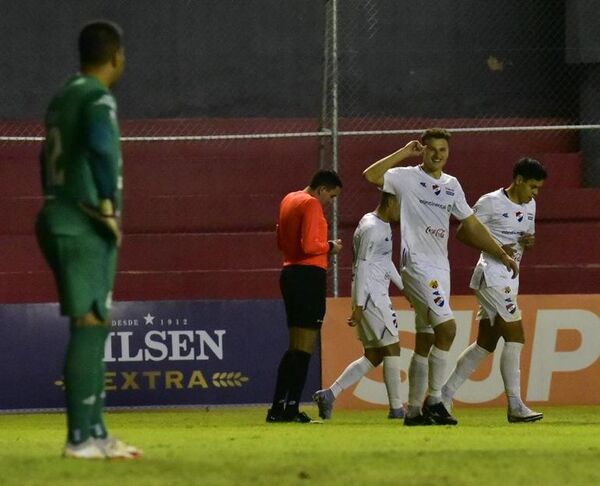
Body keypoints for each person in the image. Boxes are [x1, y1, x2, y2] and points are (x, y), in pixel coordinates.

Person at [362, 128, 519, 426]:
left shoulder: (452, 185)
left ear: (448, 153)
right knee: (448, 329)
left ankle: (413, 412)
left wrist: (501, 253)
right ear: (424, 150)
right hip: (417, 265)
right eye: (431, 149)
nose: (437, 154)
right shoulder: (405, 176)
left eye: (442, 150)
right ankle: (435, 400)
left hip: (440, 267)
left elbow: (471, 224)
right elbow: (370, 175)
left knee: (427, 338)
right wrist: (404, 152)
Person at [36, 20, 141, 459]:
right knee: (89, 324)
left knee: (94, 324)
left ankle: (95, 431)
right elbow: (100, 147)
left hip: (58, 212)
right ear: (116, 55)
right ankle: (81, 438)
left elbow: (46, 156)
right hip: (83, 221)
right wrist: (106, 208)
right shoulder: (98, 96)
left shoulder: (63, 95)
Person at [441, 157, 547, 423]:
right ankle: (515, 406)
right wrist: (498, 251)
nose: (534, 194)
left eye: (538, 189)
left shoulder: (530, 205)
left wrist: (529, 242)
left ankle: (444, 394)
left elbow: (525, 240)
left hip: (510, 280)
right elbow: (464, 233)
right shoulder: (490, 202)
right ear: (518, 180)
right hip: (491, 276)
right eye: (532, 187)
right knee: (516, 336)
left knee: (485, 344)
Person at [313, 191, 407, 420]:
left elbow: (384, 261)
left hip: (371, 294)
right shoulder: (373, 228)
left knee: (374, 354)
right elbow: (362, 265)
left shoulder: (377, 223)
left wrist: (405, 289)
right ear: (391, 201)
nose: (401, 213)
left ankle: (330, 394)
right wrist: (359, 304)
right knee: (393, 348)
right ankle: (396, 409)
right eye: (400, 206)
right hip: (372, 296)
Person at [267, 169, 343, 423]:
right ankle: (290, 408)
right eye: (330, 196)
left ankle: (278, 407)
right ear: (322, 189)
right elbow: (310, 246)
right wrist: (331, 246)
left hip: (290, 274)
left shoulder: (289, 199)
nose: (329, 203)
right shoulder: (311, 204)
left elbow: (280, 241)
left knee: (295, 347)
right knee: (304, 348)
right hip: (308, 277)